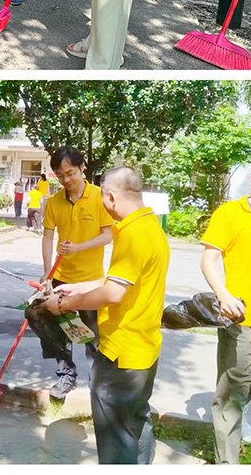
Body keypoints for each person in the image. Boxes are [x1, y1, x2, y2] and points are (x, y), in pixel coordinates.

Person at [47, 166, 169, 464]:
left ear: (111, 197)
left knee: (116, 437)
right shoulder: (149, 226)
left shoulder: (132, 235)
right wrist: (79, 285)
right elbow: (119, 281)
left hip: (121, 356)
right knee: (135, 424)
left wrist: (66, 304)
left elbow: (114, 294)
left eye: (103, 198)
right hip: (145, 348)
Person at [201, 150, 251, 464]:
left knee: (250, 387)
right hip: (242, 322)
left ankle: (236, 417)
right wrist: (223, 294)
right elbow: (208, 259)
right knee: (228, 402)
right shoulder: (230, 214)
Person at [39, 147, 114, 402]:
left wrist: (79, 247)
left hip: (91, 280)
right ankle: (65, 375)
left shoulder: (99, 197)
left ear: (82, 168)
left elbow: (108, 235)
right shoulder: (53, 201)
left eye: (70, 173)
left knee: (92, 334)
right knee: (61, 329)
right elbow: (48, 236)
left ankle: (98, 384)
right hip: (61, 278)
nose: (65, 180)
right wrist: (47, 272)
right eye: (59, 175)